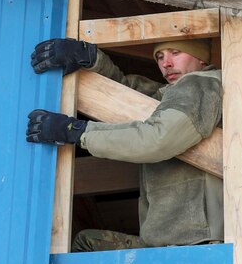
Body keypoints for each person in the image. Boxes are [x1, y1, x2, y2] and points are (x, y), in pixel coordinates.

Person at [26, 37, 223, 251]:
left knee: (86, 248)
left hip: (194, 242)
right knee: (87, 242)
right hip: (166, 242)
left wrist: (77, 132)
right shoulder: (168, 95)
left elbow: (157, 139)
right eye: (160, 56)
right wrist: (90, 59)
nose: (166, 63)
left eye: (175, 52)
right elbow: (128, 92)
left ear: (202, 59)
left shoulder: (200, 85)